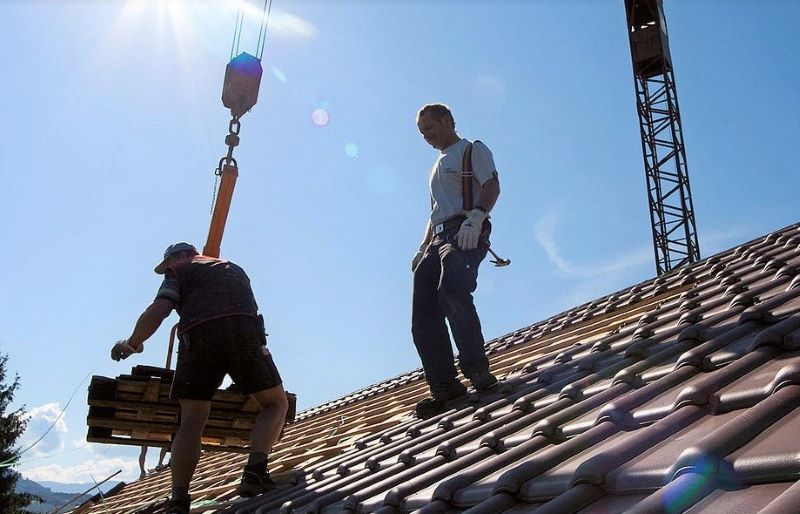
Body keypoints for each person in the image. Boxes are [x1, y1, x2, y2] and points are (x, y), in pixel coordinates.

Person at [110, 242, 288, 514]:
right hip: (244, 332)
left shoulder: (179, 271)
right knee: (275, 403)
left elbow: (159, 309)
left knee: (192, 418)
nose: (167, 269)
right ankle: (255, 470)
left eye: (167, 264)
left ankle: (179, 499)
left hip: (199, 337)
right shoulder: (234, 269)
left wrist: (132, 343)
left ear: (179, 257)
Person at [411, 103, 501, 419]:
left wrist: (477, 217)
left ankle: (476, 369)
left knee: (453, 290)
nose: (427, 136)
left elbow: (491, 184)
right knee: (423, 313)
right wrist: (422, 249)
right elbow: (433, 212)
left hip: (463, 229)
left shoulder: (470, 149)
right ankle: (444, 386)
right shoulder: (435, 166)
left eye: (430, 128)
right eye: (422, 132)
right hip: (436, 238)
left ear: (447, 121)